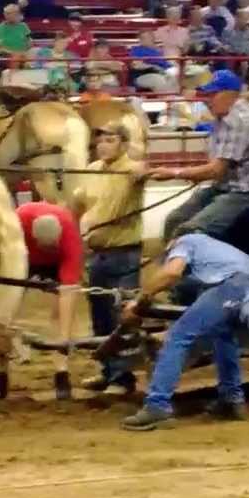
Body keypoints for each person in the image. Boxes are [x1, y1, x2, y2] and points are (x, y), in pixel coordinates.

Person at [117, 232, 249, 431]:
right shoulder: (216, 252)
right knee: (222, 332)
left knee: (178, 336)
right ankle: (231, 400)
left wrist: (138, 299)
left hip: (238, 287)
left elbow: (171, 273)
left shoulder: (185, 242)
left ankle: (157, 406)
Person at [150, 70, 249, 239]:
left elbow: (216, 171)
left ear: (230, 95)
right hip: (226, 186)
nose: (206, 100)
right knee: (174, 219)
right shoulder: (226, 114)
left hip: (247, 193)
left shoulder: (241, 120)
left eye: (212, 94)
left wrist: (173, 173)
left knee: (189, 230)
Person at [70, 122, 145, 393]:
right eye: (101, 140)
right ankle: (109, 372)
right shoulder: (90, 171)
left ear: (123, 144)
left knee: (120, 316)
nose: (103, 145)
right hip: (97, 254)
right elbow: (76, 204)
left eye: (111, 140)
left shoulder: (131, 169)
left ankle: (123, 379)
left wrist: (140, 164)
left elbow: (142, 171)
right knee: (100, 316)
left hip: (124, 253)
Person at [16, 201, 85, 401]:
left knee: (60, 313)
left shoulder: (69, 235)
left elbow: (68, 291)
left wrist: (63, 339)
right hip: (23, 257)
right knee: (7, 309)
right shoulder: (18, 220)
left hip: (57, 262)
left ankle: (61, 372)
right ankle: (0, 367)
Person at [0, 3, 32, 70]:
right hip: (6, 54)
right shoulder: (0, 28)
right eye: (6, 13)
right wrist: (14, 53)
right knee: (16, 57)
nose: (7, 15)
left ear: (17, 14)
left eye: (10, 13)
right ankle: (14, 77)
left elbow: (29, 41)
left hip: (23, 53)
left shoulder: (23, 26)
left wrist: (26, 51)